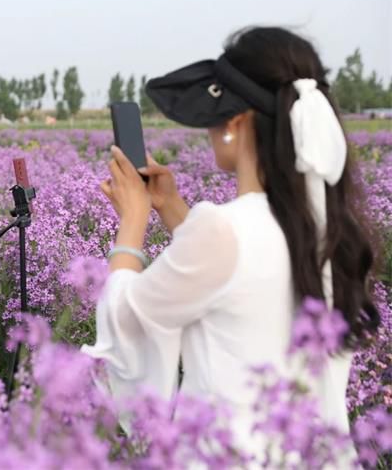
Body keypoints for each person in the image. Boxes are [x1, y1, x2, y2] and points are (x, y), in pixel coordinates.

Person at [81, 27, 379, 457]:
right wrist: (170, 207)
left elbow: (129, 321)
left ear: (235, 123)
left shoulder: (223, 230)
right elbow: (242, 273)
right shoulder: (332, 230)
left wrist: (132, 222)